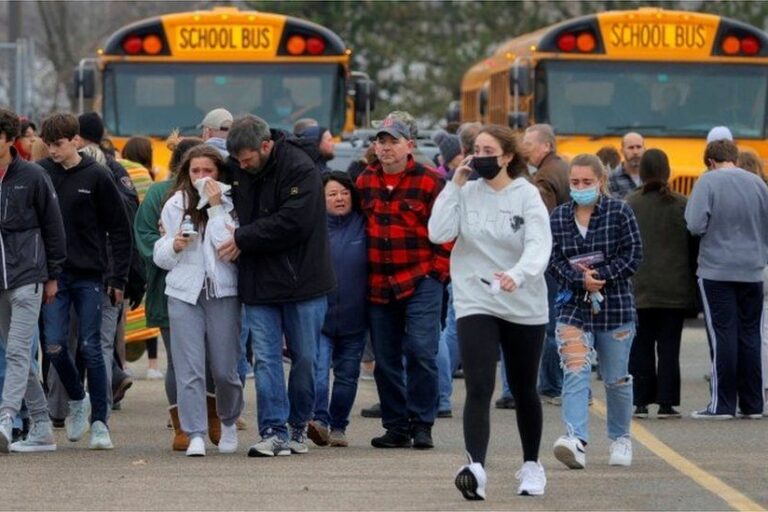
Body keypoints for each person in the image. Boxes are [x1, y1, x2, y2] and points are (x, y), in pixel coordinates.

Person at [430, 124, 551, 499]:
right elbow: (438, 232)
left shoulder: (526, 195)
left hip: (523, 301)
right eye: (475, 149)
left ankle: (532, 465)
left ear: (507, 156)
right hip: (475, 299)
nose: (479, 156)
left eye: (487, 150)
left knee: (524, 387)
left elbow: (538, 245)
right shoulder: (464, 192)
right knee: (479, 385)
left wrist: (518, 274)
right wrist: (454, 184)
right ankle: (475, 469)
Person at [220, 115, 334, 457]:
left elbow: (293, 222)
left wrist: (243, 237)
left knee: (304, 358)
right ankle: (272, 429)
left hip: (304, 280)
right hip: (258, 280)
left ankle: (299, 425)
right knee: (267, 359)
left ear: (266, 146)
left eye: (247, 159)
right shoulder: (237, 168)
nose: (242, 166)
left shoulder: (300, 168)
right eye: (238, 161)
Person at [38, 113, 133, 450]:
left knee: (93, 347)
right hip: (54, 276)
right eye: (48, 144)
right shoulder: (42, 174)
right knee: (54, 344)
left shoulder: (97, 176)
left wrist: (118, 277)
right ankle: (77, 398)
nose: (52, 151)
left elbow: (121, 230)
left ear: (75, 140)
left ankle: (100, 423)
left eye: (58, 144)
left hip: (91, 275)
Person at [355, 116, 449, 450]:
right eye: (381, 141)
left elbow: (448, 228)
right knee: (385, 358)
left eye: (393, 141)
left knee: (422, 351)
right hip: (379, 283)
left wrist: (438, 271)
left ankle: (422, 424)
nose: (386, 147)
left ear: (409, 145)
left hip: (421, 278)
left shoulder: (429, 181)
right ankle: (396, 425)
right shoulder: (364, 181)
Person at [549, 153, 643, 469]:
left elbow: (634, 255)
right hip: (573, 304)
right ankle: (575, 439)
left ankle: (621, 438)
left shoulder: (620, 212)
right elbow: (552, 260)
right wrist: (580, 279)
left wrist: (601, 277)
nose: (580, 187)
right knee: (575, 369)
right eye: (575, 182)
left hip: (615, 305)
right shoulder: (559, 217)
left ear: (600, 181)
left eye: (587, 182)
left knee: (616, 378)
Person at [153, 145, 243, 456]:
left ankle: (229, 420)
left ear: (219, 173)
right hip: (183, 293)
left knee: (224, 369)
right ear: (186, 173)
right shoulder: (175, 204)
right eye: (195, 171)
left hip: (222, 291)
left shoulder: (232, 203)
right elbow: (161, 256)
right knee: (188, 367)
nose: (201, 177)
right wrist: (174, 246)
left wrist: (216, 206)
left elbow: (226, 247)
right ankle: (195, 434)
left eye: (208, 171)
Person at [135, 136, 218, 451]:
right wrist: (167, 248)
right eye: (196, 169)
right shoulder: (160, 193)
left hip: (211, 286)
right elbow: (144, 236)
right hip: (170, 287)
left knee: (212, 358)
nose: (201, 175)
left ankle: (210, 415)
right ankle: (183, 424)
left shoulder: (217, 192)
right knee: (183, 361)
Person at [685, 139, 768, 419]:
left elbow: (695, 224)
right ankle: (753, 403)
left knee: (723, 336)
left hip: (717, 269)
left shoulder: (708, 182)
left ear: (710, 161)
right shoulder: (758, 183)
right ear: (735, 156)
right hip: (753, 269)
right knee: (750, 335)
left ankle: (722, 404)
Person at [0, 109, 66, 453]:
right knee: (16, 356)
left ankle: (6, 419)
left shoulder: (33, 176)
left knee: (17, 351)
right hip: (0, 282)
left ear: (10, 139)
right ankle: (41, 425)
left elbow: (54, 227)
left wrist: (53, 274)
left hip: (28, 276)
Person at [626, 149, 696, 419]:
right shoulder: (682, 204)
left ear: (641, 172)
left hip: (639, 288)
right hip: (674, 290)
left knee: (640, 345)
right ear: (667, 172)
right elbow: (693, 246)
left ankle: (640, 401)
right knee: (669, 347)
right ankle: (667, 402)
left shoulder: (630, 204)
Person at [307, 172, 367, 448]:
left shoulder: (364, 224)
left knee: (347, 375)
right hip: (320, 317)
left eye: (344, 192)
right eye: (332, 194)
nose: (339, 198)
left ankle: (339, 426)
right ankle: (319, 421)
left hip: (356, 317)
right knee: (318, 373)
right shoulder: (312, 226)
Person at [522, 123, 570, 406]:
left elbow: (543, 221)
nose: (525, 148)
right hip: (564, 257)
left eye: (529, 144)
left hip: (552, 260)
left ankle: (552, 384)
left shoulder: (545, 178)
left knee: (551, 325)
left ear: (546, 146)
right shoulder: (561, 168)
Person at [738, 150, 768, 409]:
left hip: (746, 267)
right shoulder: (763, 191)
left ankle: (756, 390)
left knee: (753, 332)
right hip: (760, 261)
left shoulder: (735, 194)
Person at [608, 132, 645, 199]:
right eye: (631, 148)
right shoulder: (611, 179)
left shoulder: (653, 177)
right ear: (622, 151)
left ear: (644, 149)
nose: (635, 152)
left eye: (639, 147)